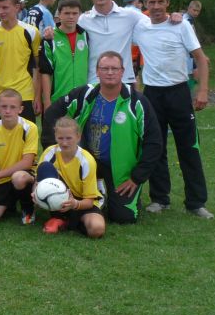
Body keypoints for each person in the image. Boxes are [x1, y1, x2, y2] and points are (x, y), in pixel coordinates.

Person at [42, 52, 163, 224]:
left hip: (121, 172)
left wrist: (137, 177)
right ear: (97, 72)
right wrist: (55, 149)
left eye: (115, 68)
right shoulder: (85, 94)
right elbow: (52, 114)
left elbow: (154, 143)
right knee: (66, 207)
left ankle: (110, 196)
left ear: (122, 72)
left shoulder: (137, 102)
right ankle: (94, 196)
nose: (110, 72)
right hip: (85, 164)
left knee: (123, 217)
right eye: (105, 68)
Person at [133, 0, 212, 218]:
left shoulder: (182, 25)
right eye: (151, 3)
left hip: (178, 93)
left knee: (189, 147)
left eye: (160, 2)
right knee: (155, 148)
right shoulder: (140, 27)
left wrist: (202, 90)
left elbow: (202, 59)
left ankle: (196, 203)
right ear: (145, 5)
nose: (156, 7)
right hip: (152, 95)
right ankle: (160, 199)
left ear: (167, 3)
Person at [75, 0, 181, 84]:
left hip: (124, 80)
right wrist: (54, 31)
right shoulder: (83, 20)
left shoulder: (130, 15)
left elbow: (155, 23)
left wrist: (171, 16)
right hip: (95, 80)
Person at [36, 117, 105, 238]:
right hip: (60, 198)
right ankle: (59, 217)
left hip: (81, 201)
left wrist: (74, 204)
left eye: (69, 138)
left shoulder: (86, 161)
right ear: (55, 136)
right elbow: (39, 183)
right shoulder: (49, 153)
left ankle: (66, 221)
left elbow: (89, 201)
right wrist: (35, 193)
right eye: (60, 138)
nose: (64, 143)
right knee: (45, 167)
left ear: (78, 137)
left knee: (97, 229)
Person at [0, 0, 41, 123]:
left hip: (25, 95)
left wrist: (37, 97)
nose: (1, 11)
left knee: (26, 140)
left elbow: (38, 67)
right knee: (0, 141)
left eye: (5, 7)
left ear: (17, 7)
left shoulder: (31, 32)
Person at [0, 88, 39, 224]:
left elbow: (27, 163)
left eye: (12, 107)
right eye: (4, 107)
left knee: (18, 178)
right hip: (3, 179)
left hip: (24, 175)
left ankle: (28, 208)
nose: (8, 111)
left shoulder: (30, 128)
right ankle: (10, 204)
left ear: (20, 109)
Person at [38, 0, 90, 112]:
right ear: (59, 15)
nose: (71, 17)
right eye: (67, 13)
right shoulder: (50, 38)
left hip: (82, 99)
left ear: (79, 14)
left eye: (74, 13)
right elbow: (45, 73)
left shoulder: (85, 35)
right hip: (58, 99)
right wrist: (47, 102)